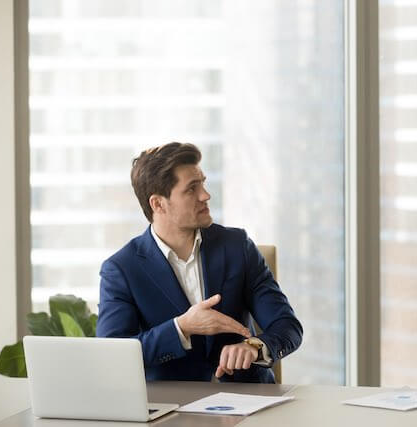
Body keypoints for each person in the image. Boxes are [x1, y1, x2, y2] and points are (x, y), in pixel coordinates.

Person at [96, 142, 302, 383]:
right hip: (172, 410)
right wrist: (181, 328)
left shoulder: (238, 247)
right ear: (158, 204)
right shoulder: (121, 269)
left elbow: (287, 326)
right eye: (192, 189)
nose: (206, 195)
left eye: (203, 183)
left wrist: (255, 347)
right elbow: (113, 356)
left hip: (250, 403)